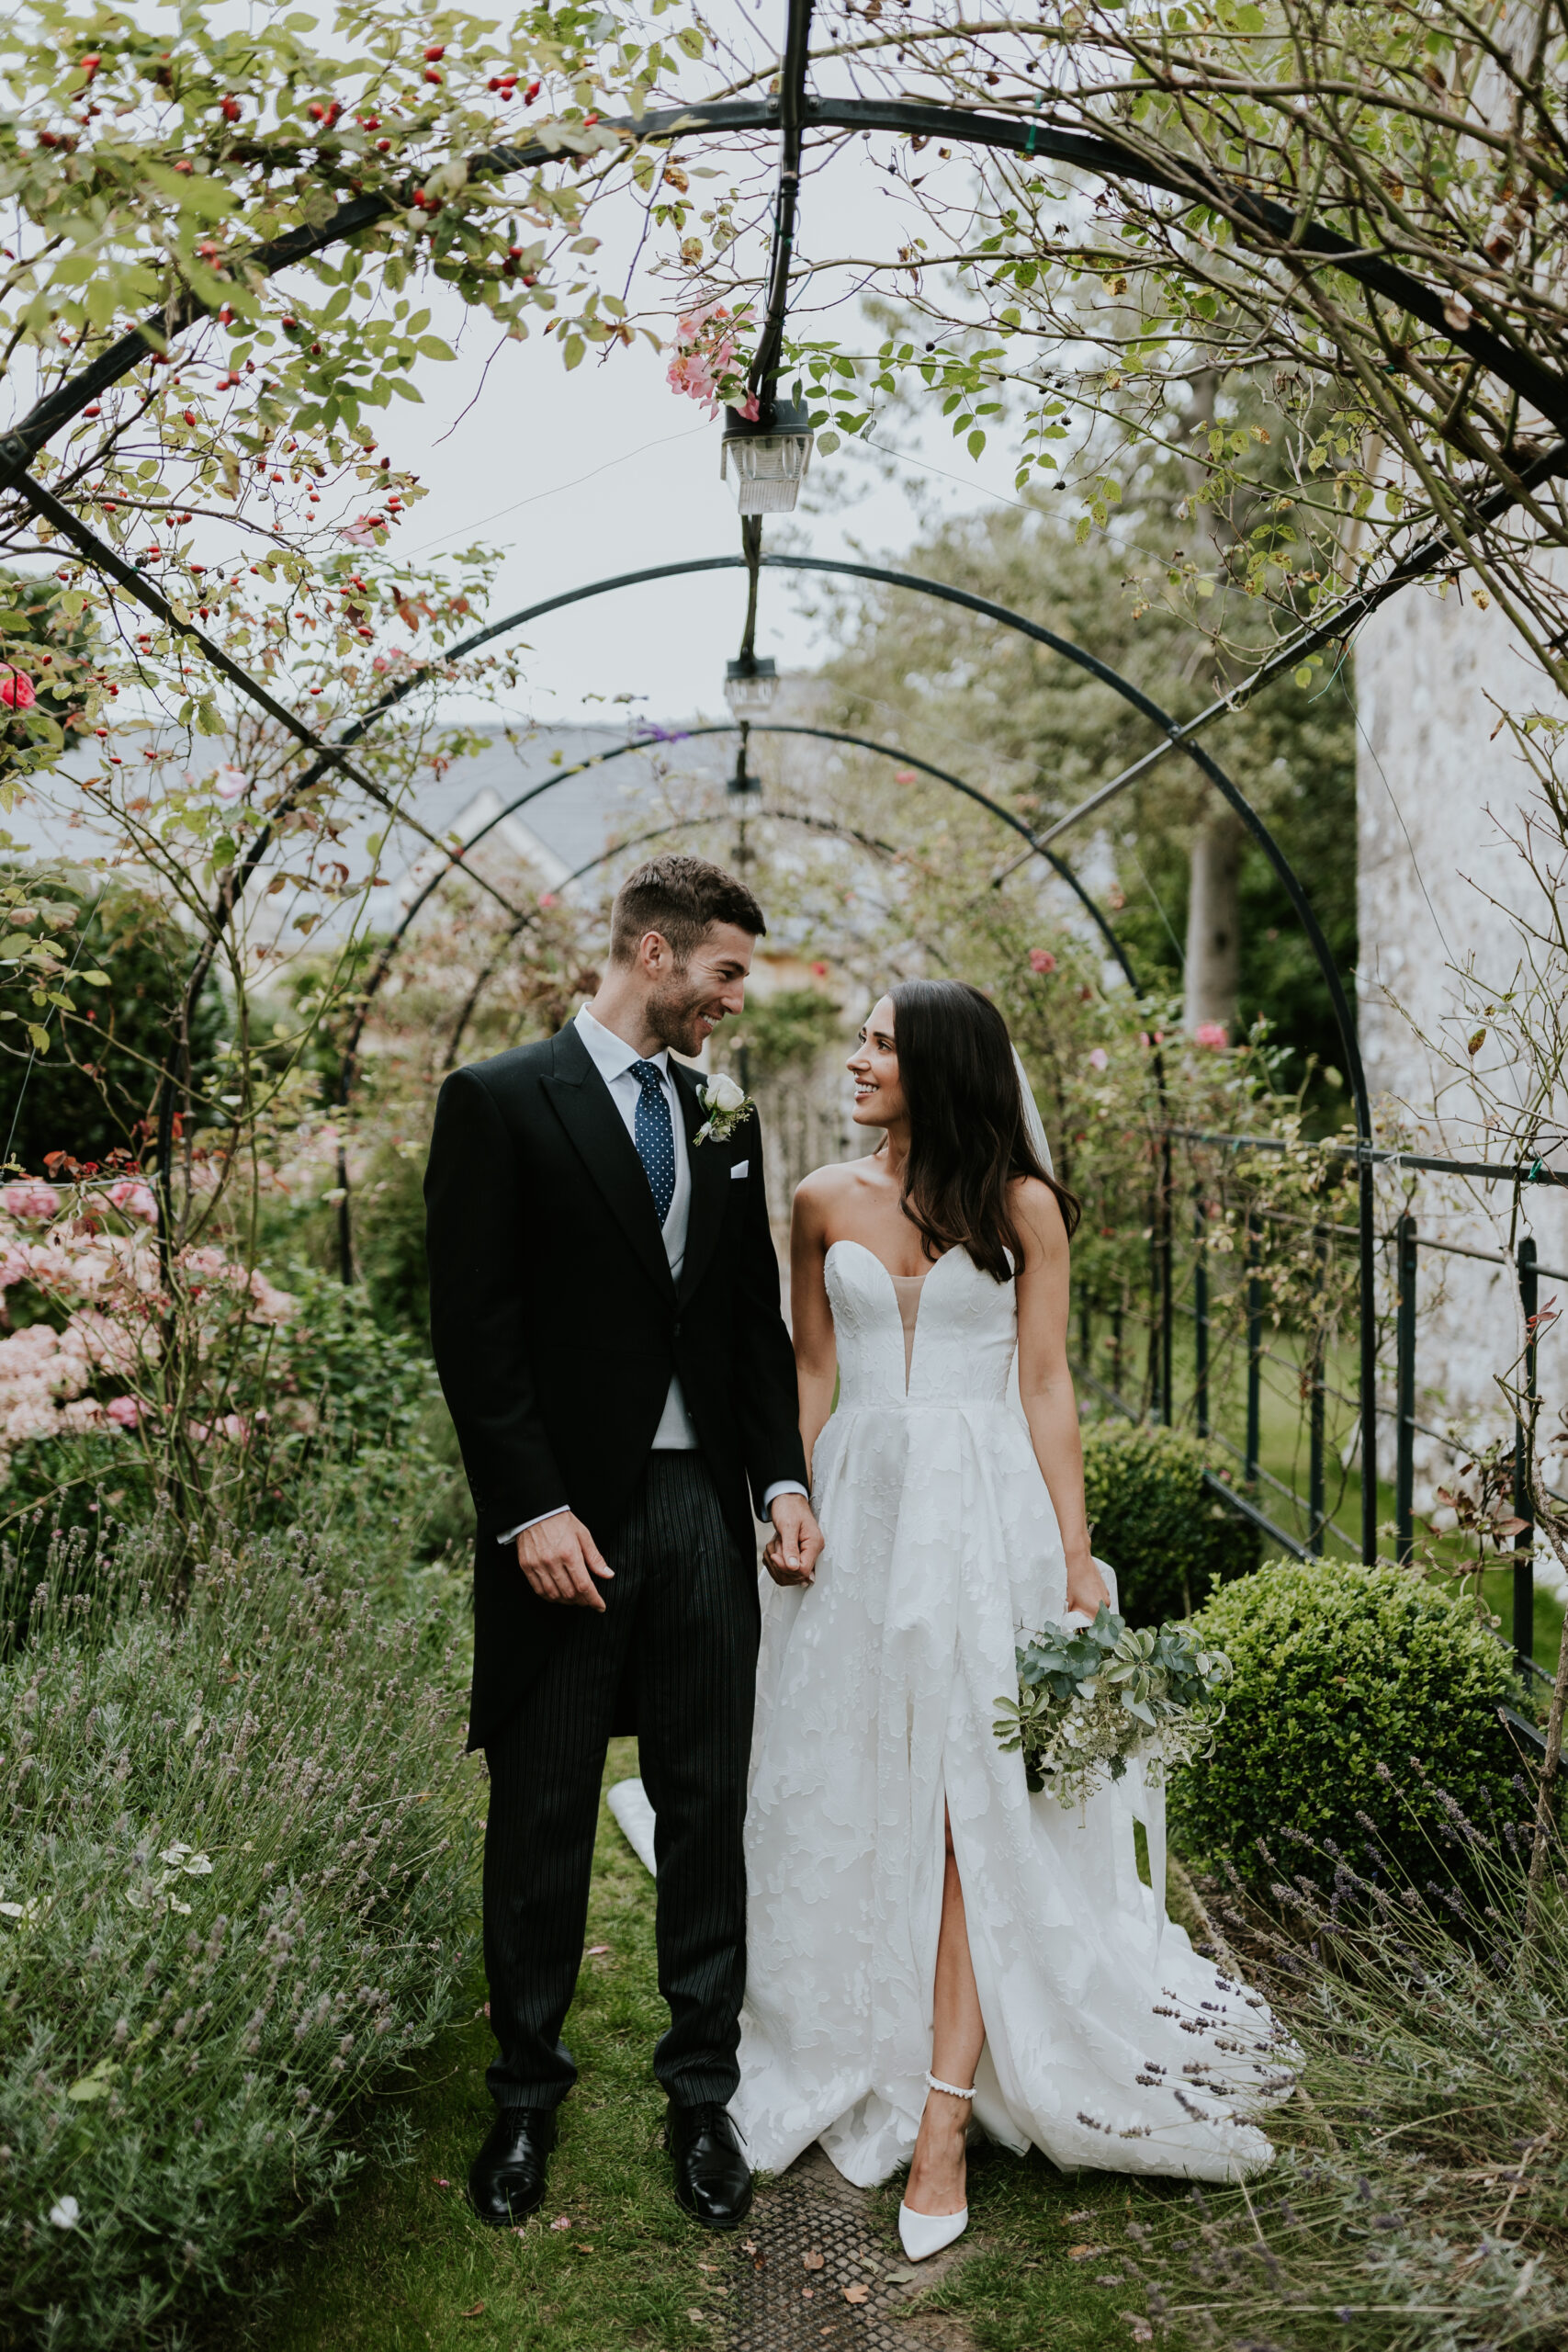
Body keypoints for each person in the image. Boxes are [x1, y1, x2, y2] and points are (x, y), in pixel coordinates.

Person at [733, 978, 1283, 2261]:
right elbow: (807, 1369)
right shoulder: (819, 1204)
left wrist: (1077, 1559)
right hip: (861, 1519)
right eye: (863, 1039)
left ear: (943, 1065)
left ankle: (942, 2116)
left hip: (989, 1526)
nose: (857, 1059)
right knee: (860, 1780)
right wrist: (787, 1498)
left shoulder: (1023, 1209)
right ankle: (862, 2039)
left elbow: (1046, 1384)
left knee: (977, 1798)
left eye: (880, 1042)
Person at [424, 854, 824, 2233]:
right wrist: (530, 1510)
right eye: (721, 973)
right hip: (565, 1519)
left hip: (703, 1509)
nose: (731, 1003)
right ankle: (525, 2098)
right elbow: (474, 1332)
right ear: (653, 956)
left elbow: (748, 1324)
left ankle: (701, 2090)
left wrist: (779, 1480)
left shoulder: (724, 1114)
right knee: (540, 1810)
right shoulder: (495, 1101)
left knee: (708, 1798)